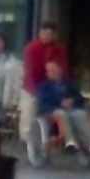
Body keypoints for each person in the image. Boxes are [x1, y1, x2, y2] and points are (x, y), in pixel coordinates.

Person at [31, 61, 90, 166]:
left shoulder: (68, 84)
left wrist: (72, 101)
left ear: (59, 71)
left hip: (70, 110)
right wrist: (60, 102)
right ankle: (70, 141)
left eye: (54, 70)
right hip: (52, 111)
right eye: (49, 71)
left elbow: (80, 98)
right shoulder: (44, 86)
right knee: (62, 114)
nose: (51, 73)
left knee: (81, 114)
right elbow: (42, 102)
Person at [20, 25, 70, 169]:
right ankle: (31, 145)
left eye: (50, 34)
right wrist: (35, 91)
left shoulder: (59, 49)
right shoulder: (32, 48)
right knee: (29, 115)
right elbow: (30, 72)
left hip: (51, 87)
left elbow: (63, 70)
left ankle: (51, 141)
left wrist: (64, 89)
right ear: (40, 34)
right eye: (45, 33)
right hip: (33, 87)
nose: (47, 36)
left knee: (55, 115)